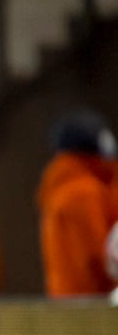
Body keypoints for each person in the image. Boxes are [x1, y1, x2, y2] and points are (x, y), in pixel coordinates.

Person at [37, 109, 118, 298]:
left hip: (70, 303)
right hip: (94, 306)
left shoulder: (61, 186)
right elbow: (97, 260)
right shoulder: (83, 192)